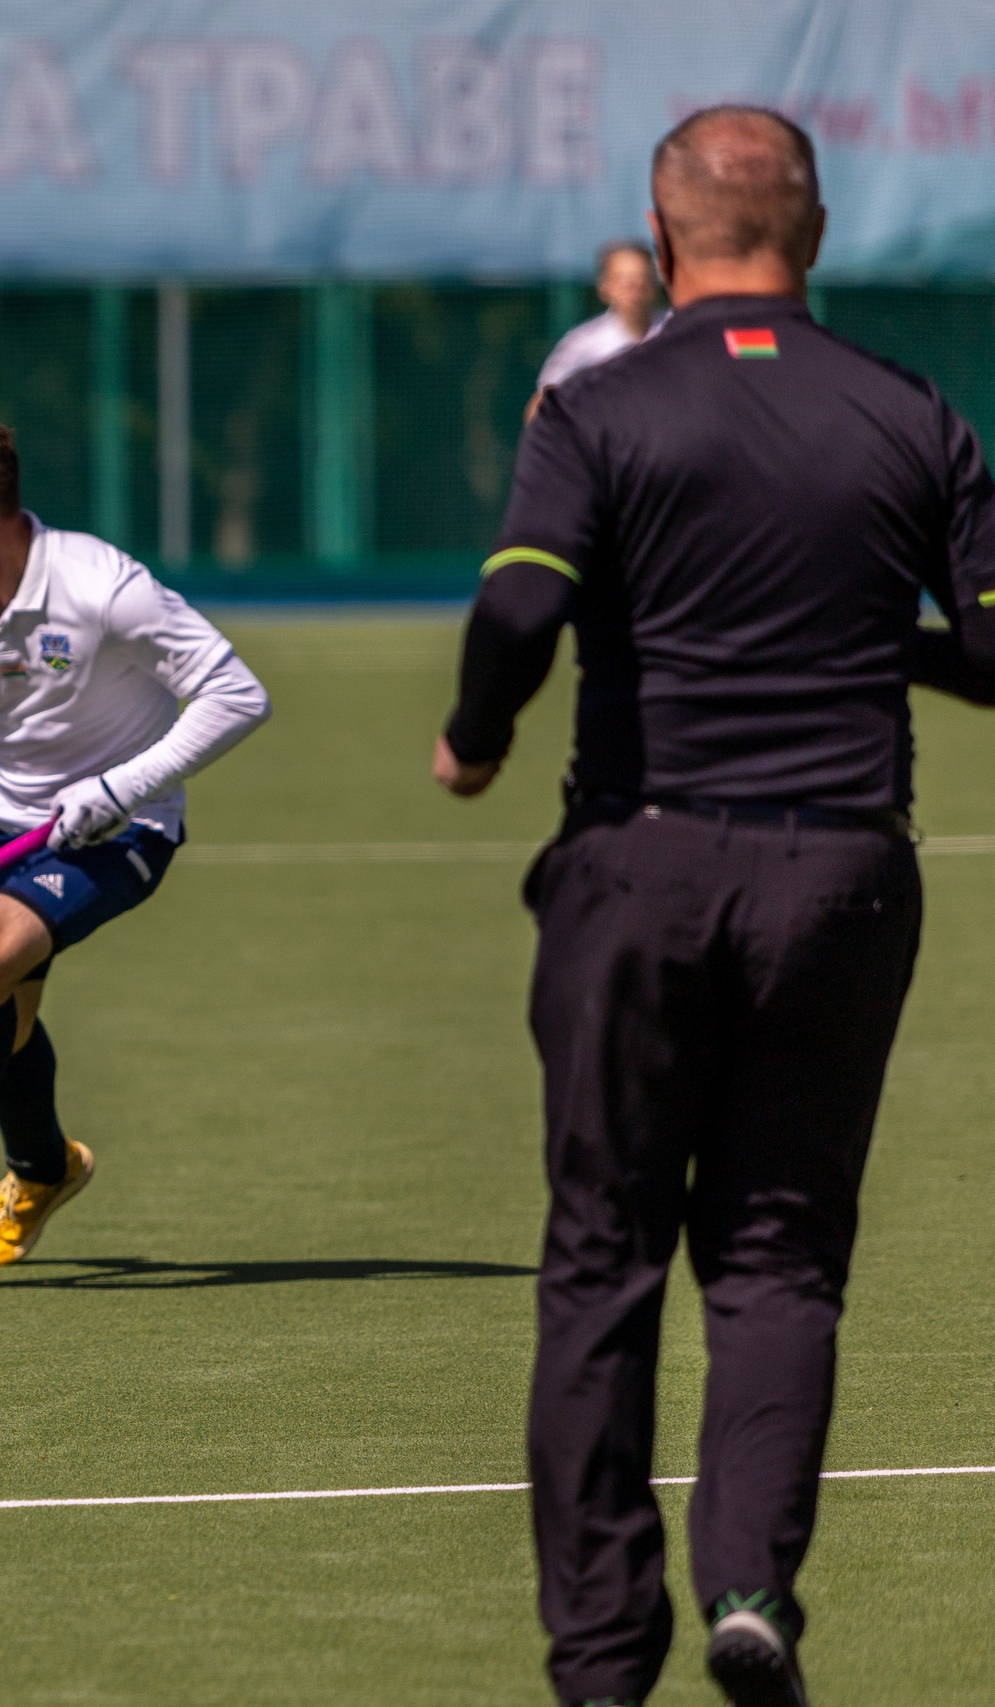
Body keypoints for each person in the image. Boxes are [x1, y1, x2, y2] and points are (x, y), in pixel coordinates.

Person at [436, 107, 995, 1707]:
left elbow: (521, 601)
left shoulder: (598, 404)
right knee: (776, 1258)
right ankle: (751, 1584)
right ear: (813, 235)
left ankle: (606, 1658)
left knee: (601, 1255)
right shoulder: (912, 410)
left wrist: (475, 740)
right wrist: (867, 640)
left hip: (645, 860)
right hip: (842, 872)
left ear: (663, 236)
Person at [0, 404, 269, 1268]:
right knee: (5, 1017)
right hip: (0, 825)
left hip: (123, 826)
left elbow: (236, 694)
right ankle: (43, 1168)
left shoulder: (104, 586)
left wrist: (120, 786)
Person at [527, 240, 667, 420]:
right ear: (604, 287)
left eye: (641, 276)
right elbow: (541, 404)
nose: (633, 285)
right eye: (622, 278)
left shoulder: (678, 329)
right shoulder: (582, 342)